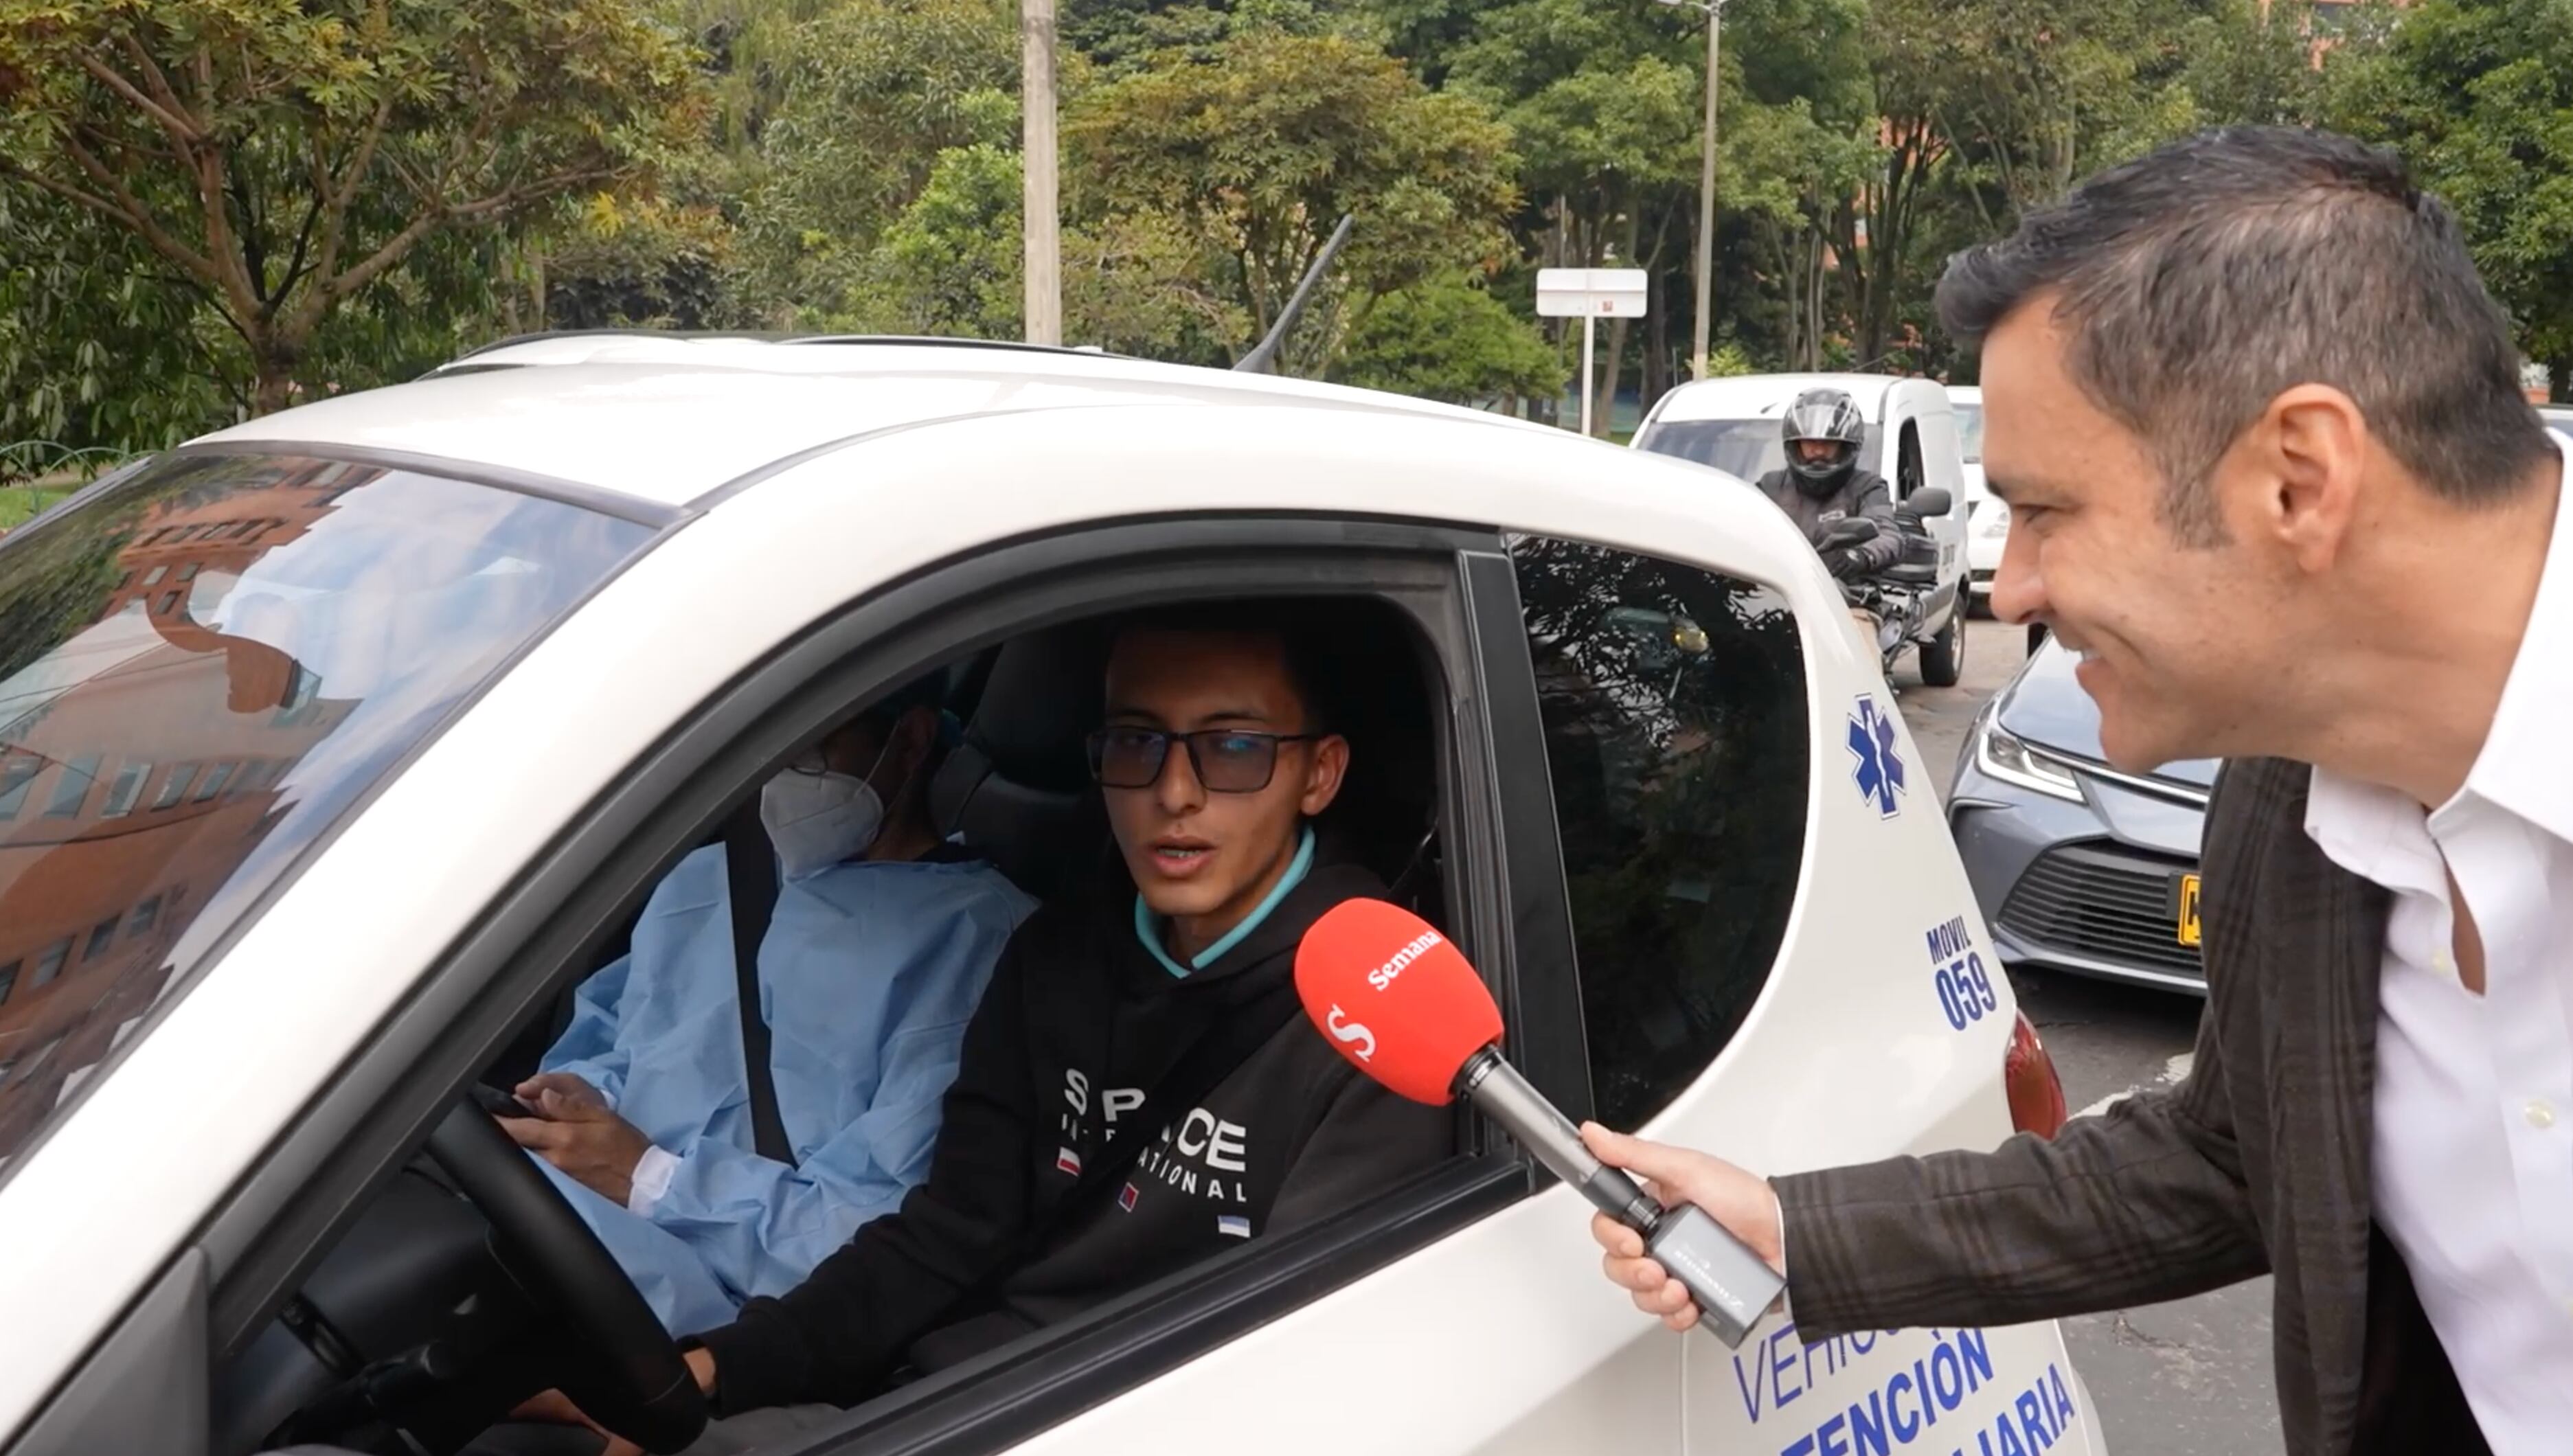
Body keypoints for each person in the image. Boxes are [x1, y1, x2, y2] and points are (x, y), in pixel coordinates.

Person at [1585, 126, 2571, 1455]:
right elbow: (2231, 1155)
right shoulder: (2290, 801)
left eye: (2045, 511)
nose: (2009, 591)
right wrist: (1792, 1229)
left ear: (2298, 479)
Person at [520, 605, 1452, 1453]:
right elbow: (944, 1237)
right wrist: (704, 1376)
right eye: (1135, 744)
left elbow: (1297, 1362)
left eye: (1233, 748)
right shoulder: (1058, 957)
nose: (1174, 792)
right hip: (950, 1377)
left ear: (1318, 773)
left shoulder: (1376, 1010)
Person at [496, 674, 1035, 1336]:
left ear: (911, 739)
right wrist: (569, 1105)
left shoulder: (978, 941)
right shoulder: (709, 879)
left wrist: (651, 1177)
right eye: (768, 750)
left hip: (716, 1331)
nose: (781, 780)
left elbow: (877, 1248)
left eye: (810, 751)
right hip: (550, 1236)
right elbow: (607, 1043)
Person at [1752, 387, 1904, 655]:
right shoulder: (1771, 486)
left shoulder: (1867, 486)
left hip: (1848, 603)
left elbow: (1888, 535)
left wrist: (1859, 556)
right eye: (1810, 443)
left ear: (1846, 447)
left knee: (1862, 659)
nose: (1818, 451)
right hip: (1777, 600)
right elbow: (1740, 530)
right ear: (1794, 445)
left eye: (1828, 444)